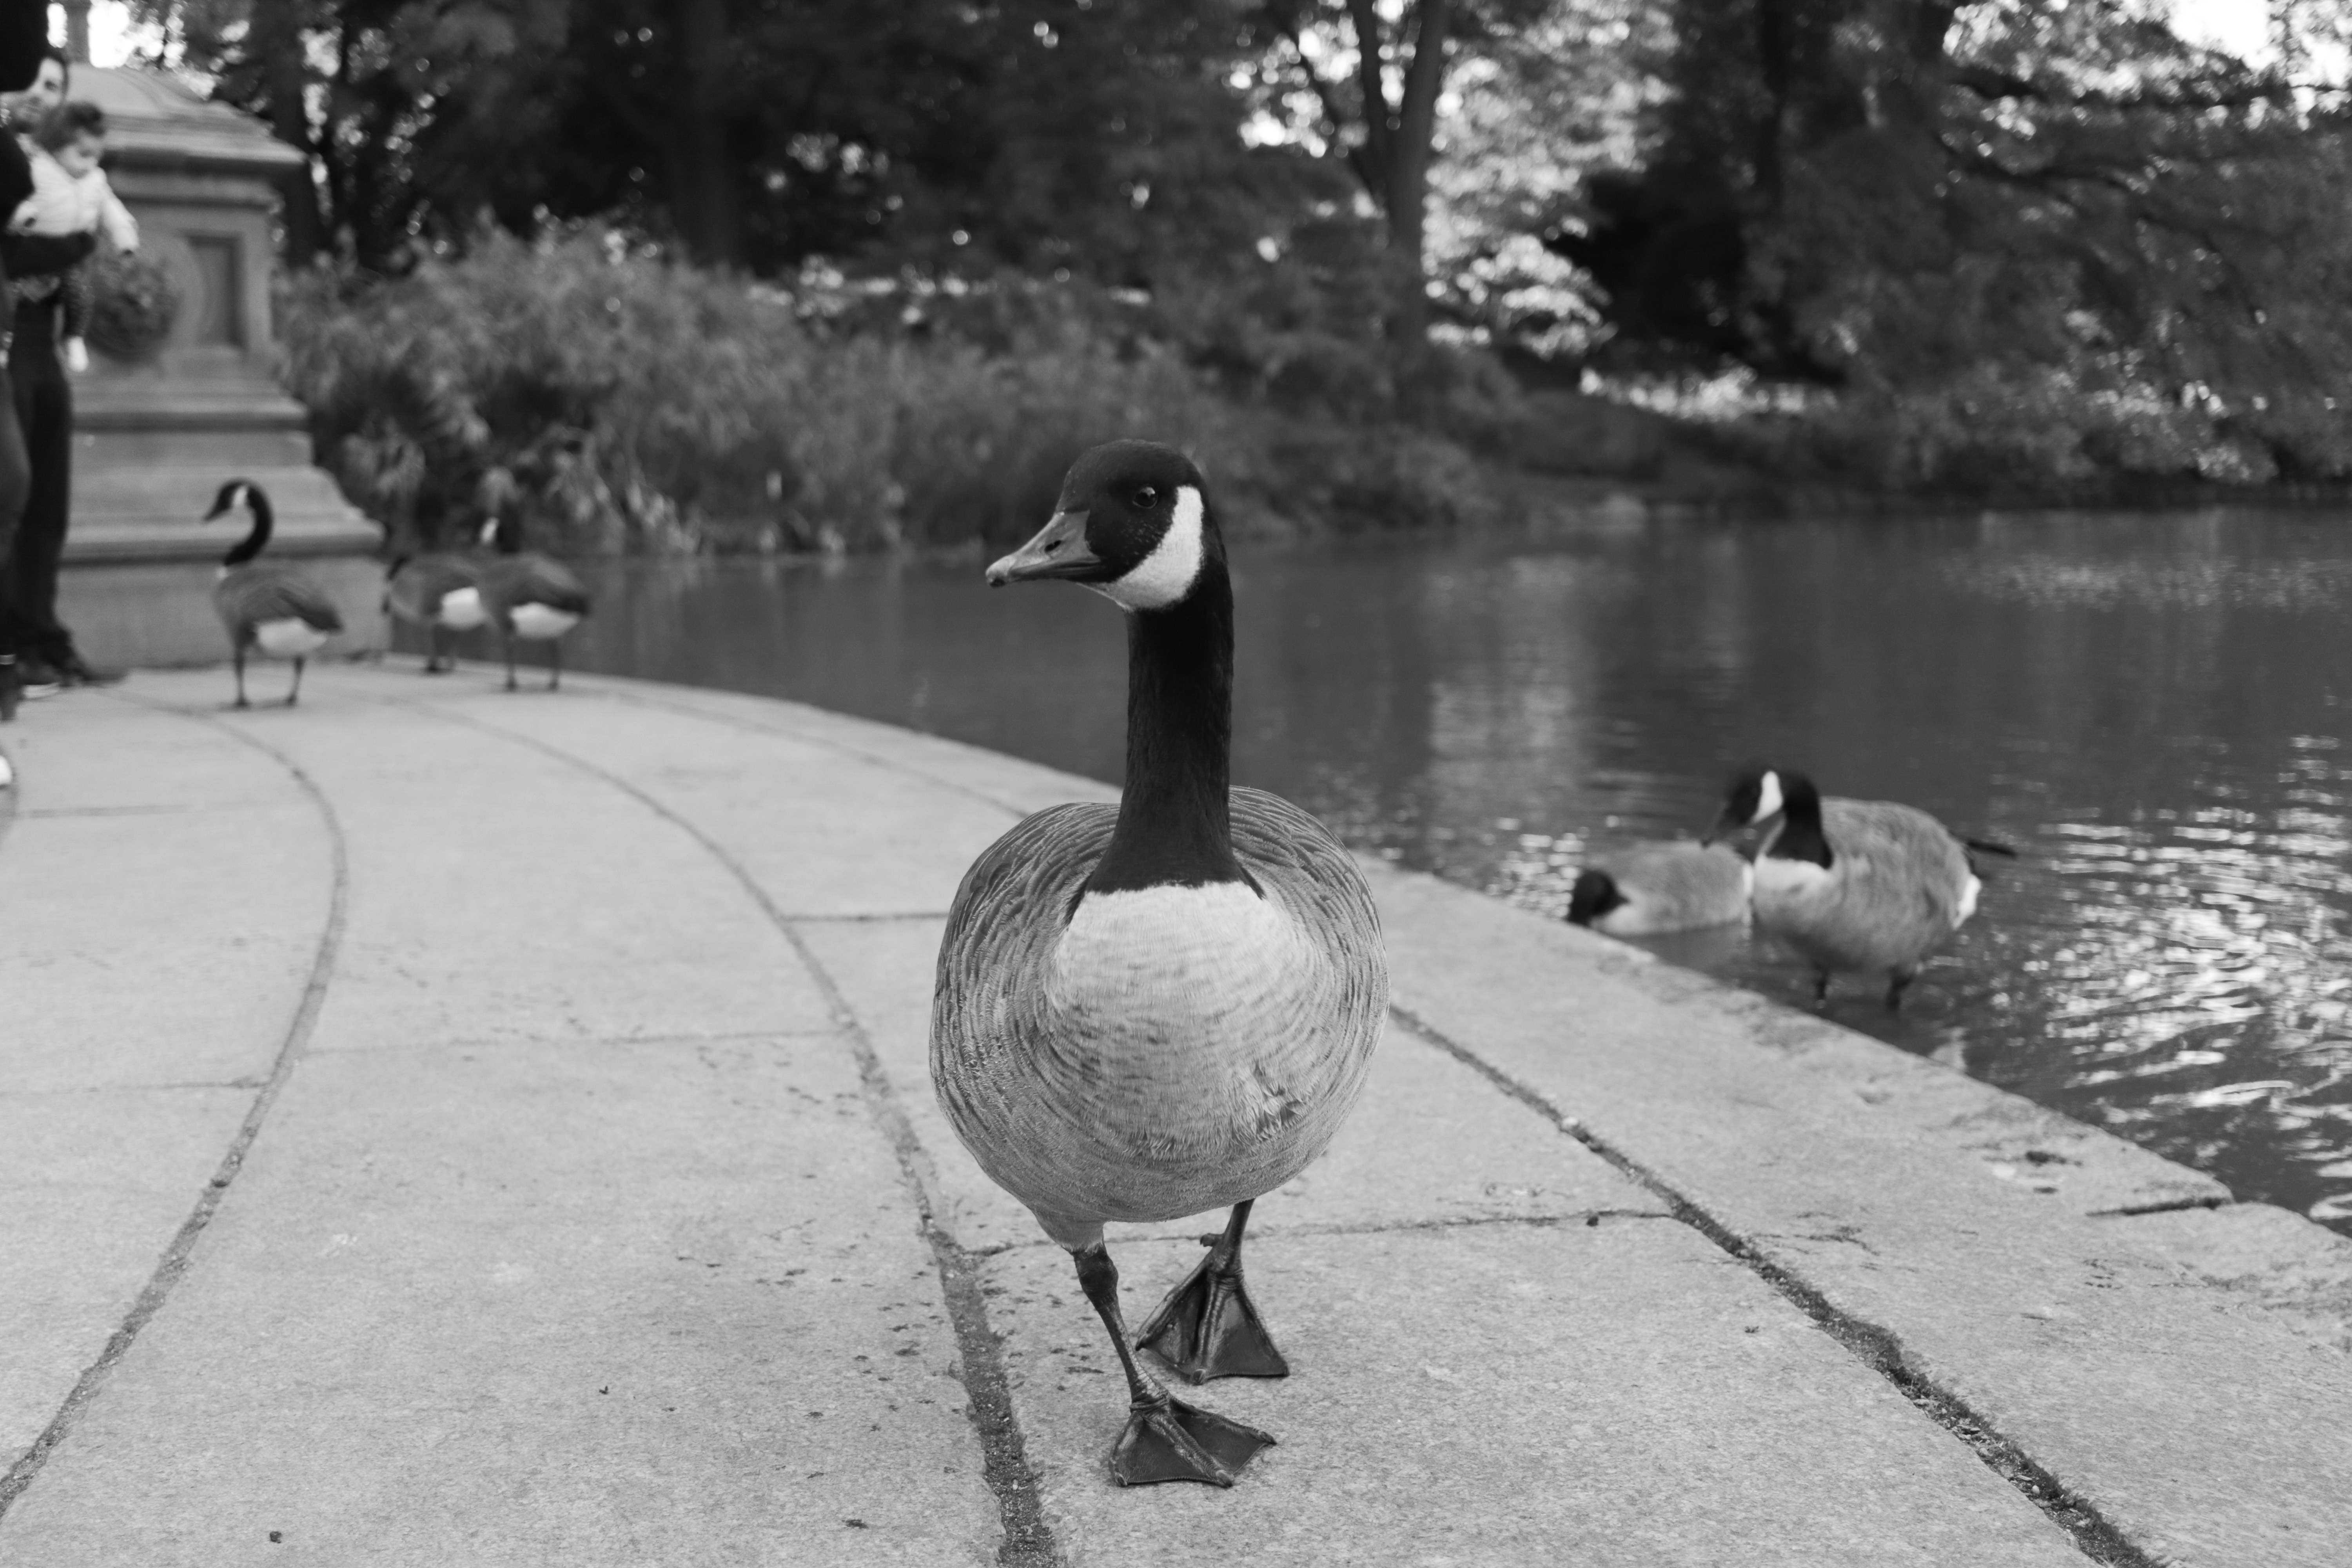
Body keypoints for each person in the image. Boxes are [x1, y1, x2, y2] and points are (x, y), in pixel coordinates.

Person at [0, 44, 107, 704]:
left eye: (53, 87)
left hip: (44, 345)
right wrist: (75, 246)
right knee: (11, 491)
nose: (42, 95)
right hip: (12, 345)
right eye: (35, 82)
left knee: (46, 504)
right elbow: (15, 251)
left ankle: (40, 635)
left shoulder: (57, 170)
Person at [10, 99, 138, 376]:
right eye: (83, 154)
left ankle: (74, 337)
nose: (91, 163)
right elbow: (16, 197)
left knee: (80, 296)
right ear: (57, 147)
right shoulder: (38, 171)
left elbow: (111, 209)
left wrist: (125, 238)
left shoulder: (95, 179)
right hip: (30, 246)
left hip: (68, 258)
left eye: (97, 155)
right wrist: (22, 218)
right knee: (8, 296)